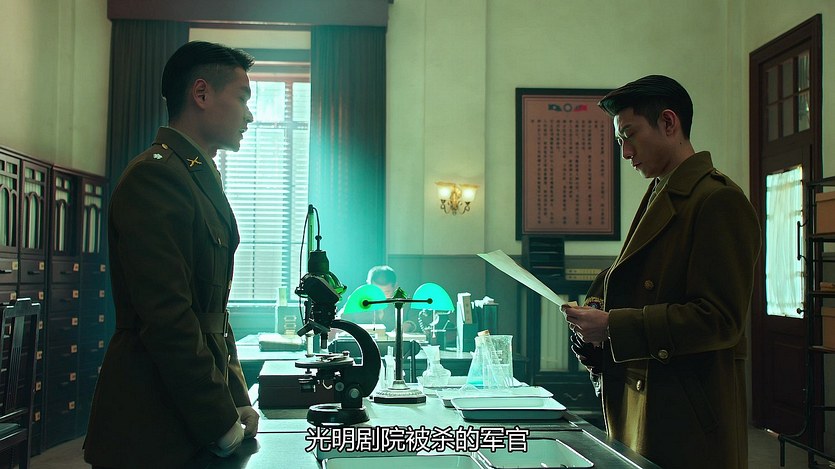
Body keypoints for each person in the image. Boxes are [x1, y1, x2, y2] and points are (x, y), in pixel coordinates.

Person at [562, 75, 761, 469]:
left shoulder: (718, 199)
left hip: (687, 414)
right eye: (619, 140)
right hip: (654, 401)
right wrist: (597, 314)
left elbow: (721, 319)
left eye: (630, 135)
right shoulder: (662, 189)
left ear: (669, 123)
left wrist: (614, 326)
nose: (625, 152)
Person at [84, 41, 259, 468]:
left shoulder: (194, 175)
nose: (249, 115)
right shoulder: (157, 176)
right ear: (201, 94)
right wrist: (219, 420)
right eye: (242, 98)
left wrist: (236, 398)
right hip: (152, 422)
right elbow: (169, 319)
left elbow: (213, 315)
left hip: (189, 414)